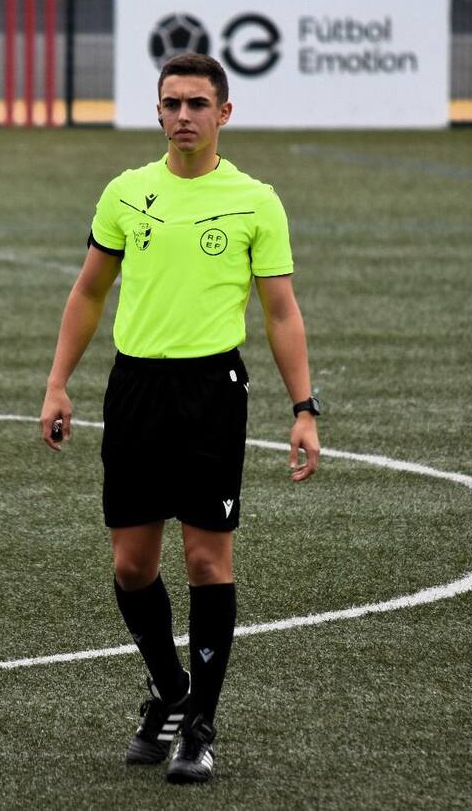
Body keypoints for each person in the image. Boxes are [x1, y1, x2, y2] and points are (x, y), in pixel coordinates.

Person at [39, 53, 320, 785]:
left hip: (212, 393)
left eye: (198, 103)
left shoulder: (256, 200)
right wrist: (58, 383)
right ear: (157, 111)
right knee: (132, 567)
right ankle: (168, 690)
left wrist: (303, 407)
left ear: (224, 114)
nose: (184, 115)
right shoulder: (127, 194)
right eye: (172, 103)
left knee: (206, 561)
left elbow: (281, 309)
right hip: (135, 390)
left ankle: (200, 725)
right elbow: (89, 292)